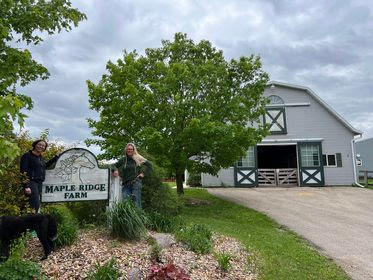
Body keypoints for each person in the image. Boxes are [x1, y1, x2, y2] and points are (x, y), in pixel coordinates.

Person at [20, 140, 60, 213]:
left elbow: (45, 166)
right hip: (31, 182)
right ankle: (31, 223)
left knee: (32, 204)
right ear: (35, 145)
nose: (41, 146)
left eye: (43, 146)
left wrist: (55, 158)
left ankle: (26, 222)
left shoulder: (40, 158)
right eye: (39, 144)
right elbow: (23, 171)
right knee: (35, 204)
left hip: (39, 183)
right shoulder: (27, 155)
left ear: (44, 148)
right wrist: (26, 186)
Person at [113, 143, 152, 209]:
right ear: (126, 150)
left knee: (136, 204)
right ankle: (128, 219)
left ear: (134, 150)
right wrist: (115, 170)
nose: (129, 150)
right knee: (126, 204)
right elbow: (113, 165)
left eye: (131, 149)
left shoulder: (138, 158)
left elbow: (150, 165)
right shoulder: (123, 160)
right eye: (128, 149)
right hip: (126, 184)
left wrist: (143, 174)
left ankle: (139, 218)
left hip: (136, 183)